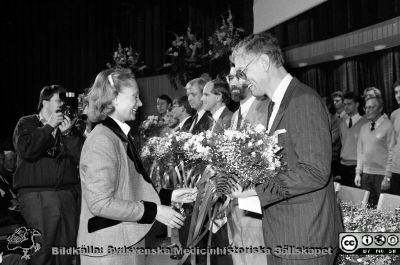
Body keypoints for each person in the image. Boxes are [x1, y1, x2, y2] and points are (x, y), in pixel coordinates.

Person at [231, 32, 342, 264]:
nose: (242, 80)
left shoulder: (302, 100)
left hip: (305, 237)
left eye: (243, 71)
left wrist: (254, 189)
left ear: (263, 62)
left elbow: (314, 172)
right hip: (283, 232)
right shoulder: (275, 105)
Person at [77, 68, 197, 265]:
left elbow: (129, 187)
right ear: (114, 99)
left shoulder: (118, 135)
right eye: (135, 97)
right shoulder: (102, 140)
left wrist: (170, 195)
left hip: (124, 241)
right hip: (110, 248)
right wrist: (155, 211)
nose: (140, 103)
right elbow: (100, 203)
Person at [13, 85, 83, 265]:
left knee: (66, 249)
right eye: (58, 100)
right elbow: (27, 150)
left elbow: (82, 158)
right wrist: (49, 126)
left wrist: (68, 134)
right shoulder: (27, 122)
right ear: (44, 101)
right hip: (38, 195)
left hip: (66, 193)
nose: (62, 104)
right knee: (42, 249)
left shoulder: (68, 126)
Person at [226, 67, 270, 265]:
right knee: (238, 249)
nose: (233, 82)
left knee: (255, 254)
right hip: (233, 199)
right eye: (230, 77)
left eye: (239, 76)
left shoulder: (268, 108)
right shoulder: (235, 115)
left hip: (254, 199)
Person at [355, 96, 395, 206]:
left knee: (385, 211)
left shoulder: (389, 126)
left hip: (381, 175)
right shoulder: (363, 128)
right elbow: (360, 152)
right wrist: (358, 173)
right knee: (367, 209)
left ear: (380, 108)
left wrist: (387, 177)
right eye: (366, 107)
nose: (367, 110)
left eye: (371, 107)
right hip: (366, 175)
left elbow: (392, 153)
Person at [339, 92, 368, 187]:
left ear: (357, 104)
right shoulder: (342, 123)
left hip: (358, 166)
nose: (346, 107)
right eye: (344, 104)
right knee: (345, 197)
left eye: (349, 104)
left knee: (359, 198)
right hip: (343, 165)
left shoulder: (365, 122)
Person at [390, 80, 400, 195]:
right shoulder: (394, 115)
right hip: (396, 170)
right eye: (396, 92)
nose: (398, 95)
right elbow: (393, 145)